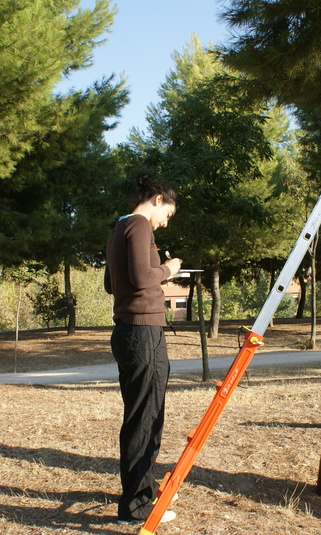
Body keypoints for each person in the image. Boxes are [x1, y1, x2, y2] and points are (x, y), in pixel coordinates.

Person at [104, 172, 182, 525]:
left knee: (144, 414)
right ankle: (136, 507)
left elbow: (111, 283)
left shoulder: (119, 228)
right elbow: (139, 278)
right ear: (158, 200)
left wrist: (153, 271)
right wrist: (168, 269)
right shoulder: (138, 225)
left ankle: (143, 489)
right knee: (144, 418)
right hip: (142, 333)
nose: (165, 224)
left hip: (132, 332)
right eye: (168, 215)